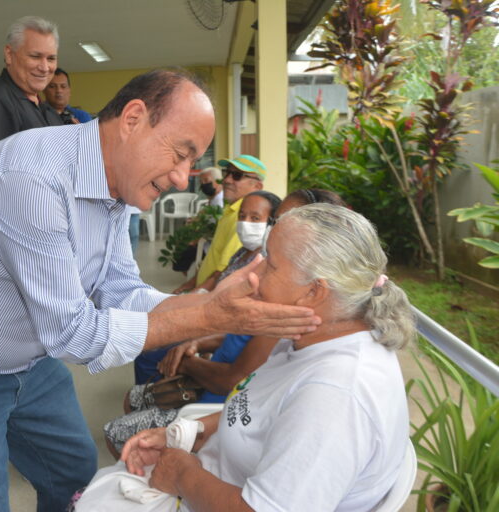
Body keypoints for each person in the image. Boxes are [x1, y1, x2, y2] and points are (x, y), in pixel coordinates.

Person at [0, 69, 320, 512]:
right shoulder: (31, 179)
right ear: (133, 118)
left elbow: (120, 289)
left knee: (73, 473)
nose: (182, 177)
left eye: (193, 162)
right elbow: (73, 333)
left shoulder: (114, 180)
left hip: (27, 351)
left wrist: (209, 304)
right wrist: (209, 317)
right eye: (181, 154)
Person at [73, 203, 416, 512]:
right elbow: (262, 411)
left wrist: (183, 474)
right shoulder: (304, 338)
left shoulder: (335, 395)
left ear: (314, 292)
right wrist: (188, 432)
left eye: (271, 265)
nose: (254, 273)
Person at [132, 191, 281, 385]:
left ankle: (154, 397)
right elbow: (219, 279)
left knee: (150, 353)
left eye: (255, 218)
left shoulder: (264, 261)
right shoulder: (242, 252)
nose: (245, 223)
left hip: (217, 326)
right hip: (208, 312)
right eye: (242, 216)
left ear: (272, 223)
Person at [0, 16, 63, 166]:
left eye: (51, 58)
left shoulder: (47, 111)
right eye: (35, 56)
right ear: (9, 54)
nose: (44, 67)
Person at [173, 155, 265, 294]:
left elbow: (224, 270)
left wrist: (195, 295)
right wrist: (192, 282)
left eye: (237, 175)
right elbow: (214, 254)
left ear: (257, 186)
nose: (227, 180)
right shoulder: (230, 209)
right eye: (226, 173)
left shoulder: (243, 219)